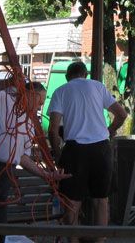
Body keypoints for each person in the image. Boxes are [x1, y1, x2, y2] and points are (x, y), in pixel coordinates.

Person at [0, 79, 68, 243]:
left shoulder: (29, 124)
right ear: (28, 94)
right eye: (39, 101)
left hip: (5, 172)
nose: (40, 107)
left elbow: (23, 158)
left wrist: (47, 175)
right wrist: (7, 82)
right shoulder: (4, 98)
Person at [47, 61, 127, 237]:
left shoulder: (61, 91)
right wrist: (110, 130)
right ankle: (99, 242)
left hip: (75, 151)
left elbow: (52, 130)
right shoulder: (98, 87)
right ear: (86, 75)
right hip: (101, 148)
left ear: (68, 77)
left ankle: (74, 241)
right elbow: (122, 114)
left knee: (72, 202)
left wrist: (58, 155)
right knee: (101, 201)